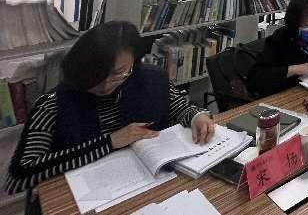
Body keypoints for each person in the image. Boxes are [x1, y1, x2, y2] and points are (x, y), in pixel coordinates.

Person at [6, 21, 215, 195]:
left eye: (119, 73)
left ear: (133, 62)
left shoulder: (152, 80)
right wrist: (110, 142)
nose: (106, 84)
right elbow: (18, 177)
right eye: (97, 75)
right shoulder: (52, 105)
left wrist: (197, 117)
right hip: (87, 197)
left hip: (150, 187)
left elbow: (181, 109)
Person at [245, 0, 308, 98]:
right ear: (295, 23)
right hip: (289, 95)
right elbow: (255, 79)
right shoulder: (279, 39)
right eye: (307, 25)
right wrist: (293, 69)